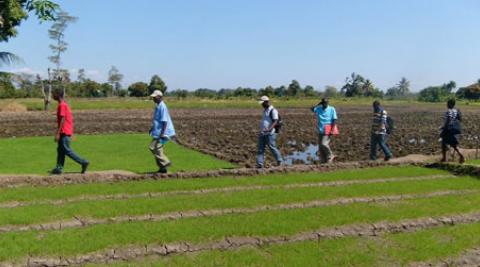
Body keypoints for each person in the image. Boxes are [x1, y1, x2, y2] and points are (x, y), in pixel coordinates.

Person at [50, 90, 89, 175]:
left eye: (53, 94)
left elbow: (63, 119)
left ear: (58, 95)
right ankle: (59, 168)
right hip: (65, 131)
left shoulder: (62, 105)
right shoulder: (63, 105)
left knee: (66, 150)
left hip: (64, 132)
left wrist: (57, 133)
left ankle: (83, 162)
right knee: (60, 150)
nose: (52, 96)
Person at [149, 90, 176, 173]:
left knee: (153, 147)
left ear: (159, 97)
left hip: (165, 133)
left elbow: (165, 121)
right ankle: (162, 169)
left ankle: (166, 162)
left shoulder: (162, 107)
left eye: (154, 97)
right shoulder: (158, 106)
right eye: (153, 97)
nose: (153, 98)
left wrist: (162, 134)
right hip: (158, 131)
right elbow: (157, 120)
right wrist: (152, 128)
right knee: (158, 150)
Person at [256, 96, 283, 168]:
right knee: (260, 148)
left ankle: (279, 160)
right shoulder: (265, 110)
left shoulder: (273, 110)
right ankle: (260, 164)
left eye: (263, 103)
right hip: (262, 132)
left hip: (270, 133)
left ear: (266, 102)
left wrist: (269, 129)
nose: (262, 105)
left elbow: (275, 121)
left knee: (272, 147)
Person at [311, 98, 337, 163]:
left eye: (326, 103)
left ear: (328, 103)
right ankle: (323, 160)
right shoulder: (319, 109)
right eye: (323, 103)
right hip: (321, 128)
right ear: (322, 103)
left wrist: (332, 130)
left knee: (324, 143)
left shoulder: (332, 109)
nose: (325, 104)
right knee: (320, 146)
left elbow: (334, 119)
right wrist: (318, 104)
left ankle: (330, 155)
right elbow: (312, 108)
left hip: (329, 127)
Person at [440, 99, 465, 164]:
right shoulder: (457, 111)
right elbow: (460, 120)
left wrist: (444, 128)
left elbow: (449, 119)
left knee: (444, 143)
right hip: (455, 129)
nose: (447, 105)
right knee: (452, 144)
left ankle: (444, 158)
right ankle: (445, 158)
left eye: (448, 103)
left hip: (449, 129)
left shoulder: (449, 111)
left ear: (450, 104)